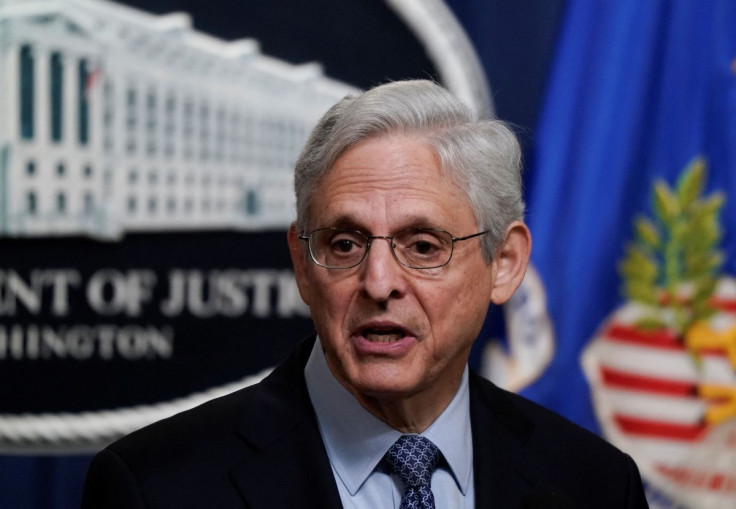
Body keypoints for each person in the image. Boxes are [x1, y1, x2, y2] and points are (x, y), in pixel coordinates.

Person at [81, 80, 648, 508]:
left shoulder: (593, 484)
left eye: (424, 246)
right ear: (303, 264)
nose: (378, 283)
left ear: (504, 263)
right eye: (346, 244)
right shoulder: (155, 488)